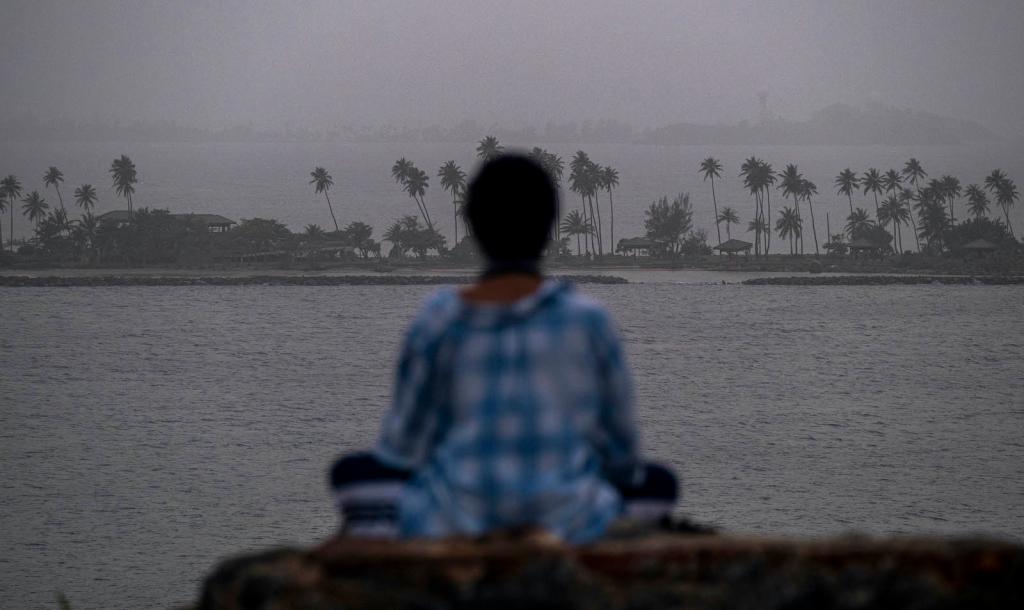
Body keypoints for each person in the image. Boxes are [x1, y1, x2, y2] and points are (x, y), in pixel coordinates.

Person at [330, 155, 676, 543]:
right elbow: (622, 455)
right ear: (550, 226)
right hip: (572, 522)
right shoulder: (589, 321)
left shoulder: (438, 320)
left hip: (453, 520)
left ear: (473, 225)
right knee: (659, 483)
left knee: (353, 472)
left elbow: (403, 448)